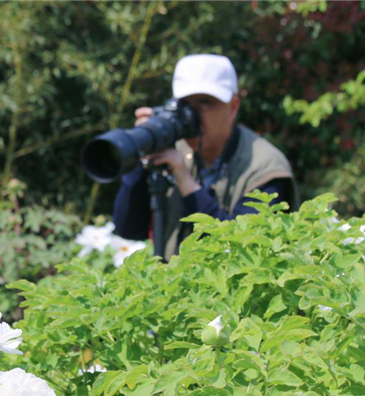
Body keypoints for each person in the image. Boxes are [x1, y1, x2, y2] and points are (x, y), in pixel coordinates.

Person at [112, 54, 299, 261]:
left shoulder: (264, 167)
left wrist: (185, 182)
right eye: (185, 104)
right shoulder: (174, 148)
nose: (191, 115)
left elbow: (245, 253)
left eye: (205, 103)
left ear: (233, 106)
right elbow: (127, 229)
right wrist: (141, 154)